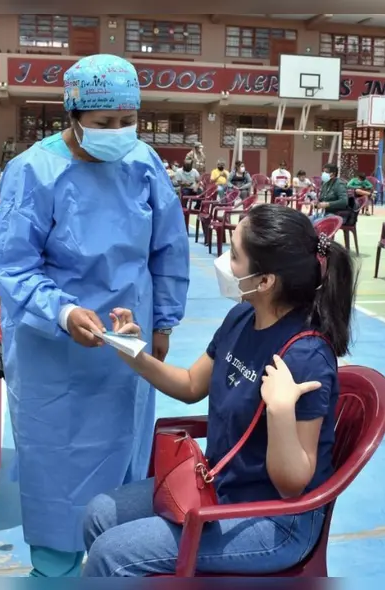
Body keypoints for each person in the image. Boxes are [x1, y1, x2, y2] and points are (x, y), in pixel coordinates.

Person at [0, 53, 191, 578]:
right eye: (105, 124)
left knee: (125, 455)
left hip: (127, 344)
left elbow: (168, 247)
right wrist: (64, 310)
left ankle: (116, 558)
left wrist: (164, 322)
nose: (119, 133)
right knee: (58, 465)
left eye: (127, 121)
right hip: (53, 354)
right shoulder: (34, 170)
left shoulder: (143, 163)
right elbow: (12, 266)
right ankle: (55, 567)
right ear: (73, 115)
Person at [81, 204, 356, 576]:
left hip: (275, 520)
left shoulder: (305, 355)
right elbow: (192, 385)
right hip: (220, 483)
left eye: (235, 255)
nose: (224, 262)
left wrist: (279, 410)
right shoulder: (242, 317)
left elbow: (292, 486)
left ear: (265, 281)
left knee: (110, 555)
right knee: (99, 515)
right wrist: (133, 354)